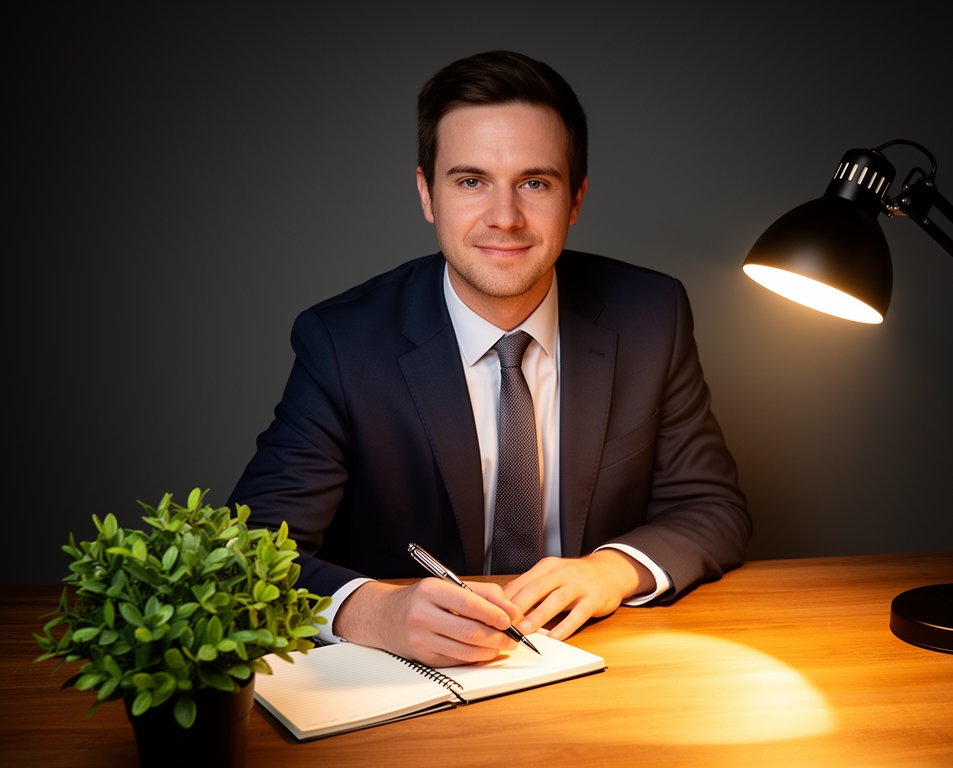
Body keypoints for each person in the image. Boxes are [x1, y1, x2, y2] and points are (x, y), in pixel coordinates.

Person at [228, 50, 750, 667]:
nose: (505, 218)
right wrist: (375, 610)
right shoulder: (343, 341)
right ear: (427, 194)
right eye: (471, 181)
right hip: (411, 683)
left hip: (602, 662)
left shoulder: (650, 313)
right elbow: (250, 549)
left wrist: (614, 570)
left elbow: (713, 508)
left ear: (575, 198)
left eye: (535, 183)